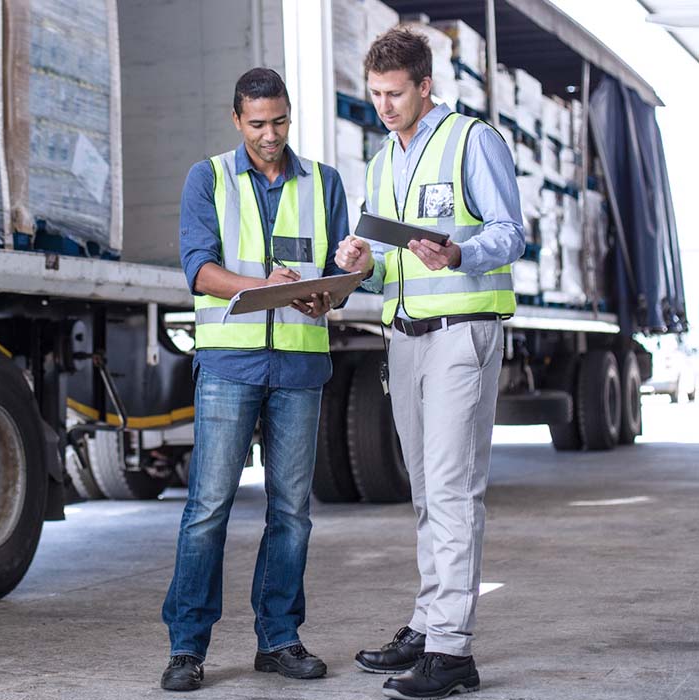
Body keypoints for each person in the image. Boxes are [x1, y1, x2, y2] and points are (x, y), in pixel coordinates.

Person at [335, 27, 525, 699]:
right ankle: (428, 621)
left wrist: (459, 254)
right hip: (406, 336)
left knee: (450, 488)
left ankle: (452, 650)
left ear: (425, 86)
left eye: (395, 94)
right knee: (426, 491)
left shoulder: (473, 141)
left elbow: (510, 232)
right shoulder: (383, 158)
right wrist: (358, 261)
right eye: (376, 94)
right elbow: (385, 251)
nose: (384, 106)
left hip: (462, 332)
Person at [161, 67, 350, 692]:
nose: (271, 135)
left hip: (299, 367)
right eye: (258, 124)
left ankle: (279, 639)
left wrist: (326, 295)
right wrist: (261, 289)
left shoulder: (324, 182)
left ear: (290, 115)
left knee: (292, 513)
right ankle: (187, 648)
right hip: (229, 366)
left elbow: (332, 275)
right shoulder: (208, 177)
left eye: (281, 122)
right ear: (237, 119)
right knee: (207, 510)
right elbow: (199, 270)